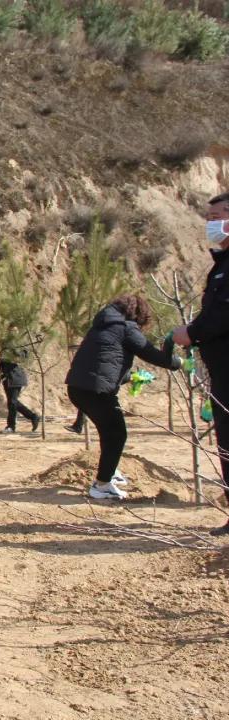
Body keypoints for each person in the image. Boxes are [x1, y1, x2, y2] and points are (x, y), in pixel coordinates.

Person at [66, 295, 180, 501]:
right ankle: (101, 486)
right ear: (138, 315)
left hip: (77, 388)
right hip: (96, 392)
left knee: (108, 431)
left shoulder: (102, 326)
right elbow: (152, 354)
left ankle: (110, 471)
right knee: (117, 434)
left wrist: (131, 376)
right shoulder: (126, 327)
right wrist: (178, 362)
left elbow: (105, 363)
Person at [172, 193, 229, 536]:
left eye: (218, 215)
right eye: (208, 216)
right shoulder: (221, 265)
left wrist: (191, 332)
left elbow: (223, 315)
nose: (211, 222)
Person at [0, 337, 40, 434]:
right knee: (12, 402)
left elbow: (23, 358)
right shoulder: (5, 345)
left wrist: (14, 351)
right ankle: (32, 417)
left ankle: (12, 426)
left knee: (12, 402)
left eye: (15, 331)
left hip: (16, 376)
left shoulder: (20, 345)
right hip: (6, 378)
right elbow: (0, 363)